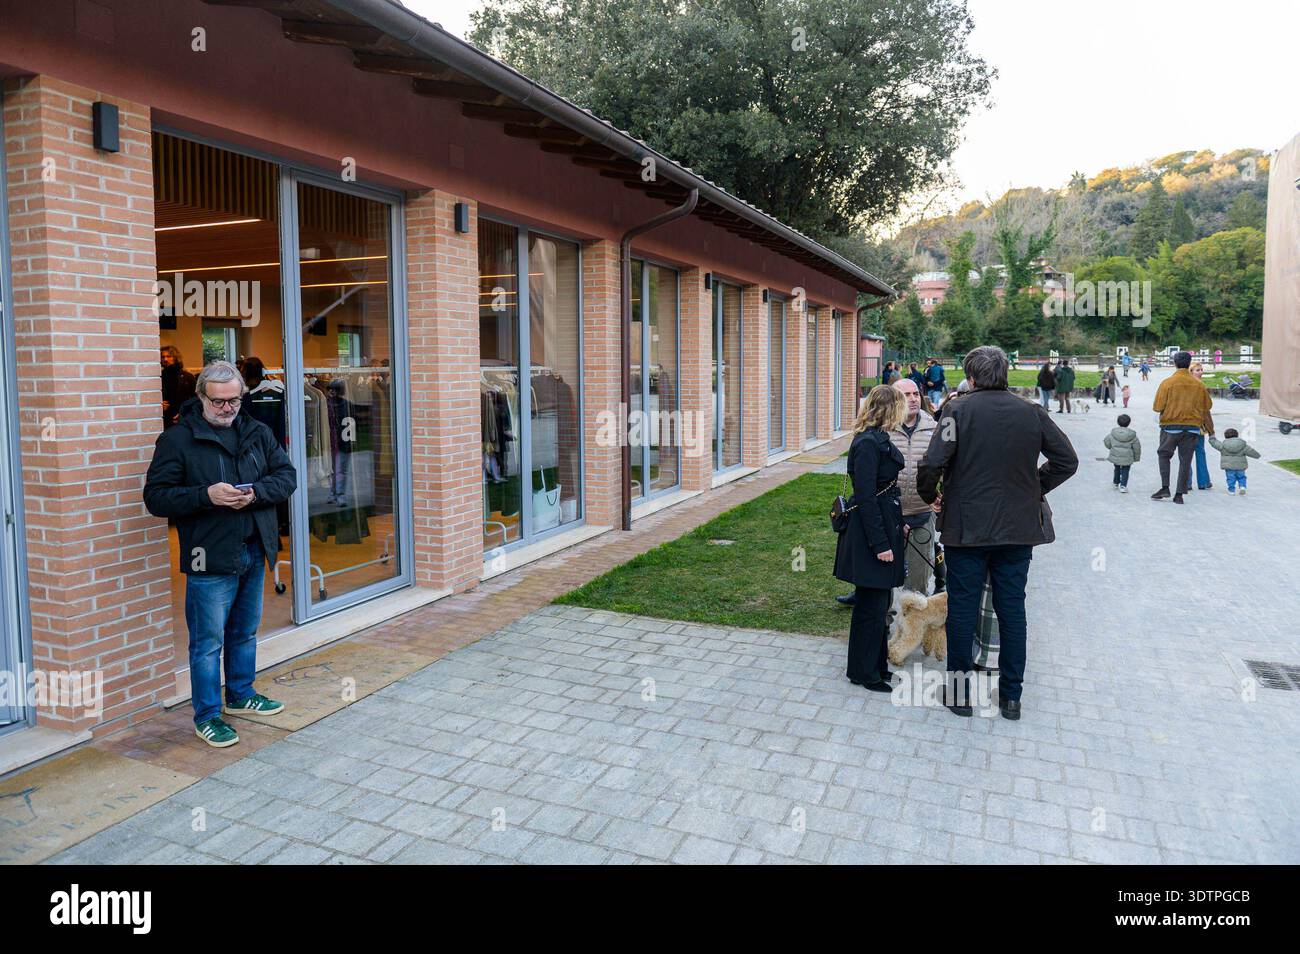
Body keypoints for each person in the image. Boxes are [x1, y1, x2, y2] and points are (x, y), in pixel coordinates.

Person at [917, 346, 1078, 720]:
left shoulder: (957, 411)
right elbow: (1067, 461)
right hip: (1016, 531)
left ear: (971, 378)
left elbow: (932, 463)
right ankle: (1011, 698)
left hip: (967, 529)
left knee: (962, 610)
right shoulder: (1031, 412)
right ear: (1005, 373)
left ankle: (959, 696)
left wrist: (932, 496)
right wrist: (1035, 487)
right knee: (1012, 610)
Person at [144, 360, 298, 748]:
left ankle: (241, 695)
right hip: (207, 554)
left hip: (253, 546)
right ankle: (207, 715)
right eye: (219, 402)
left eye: (234, 400)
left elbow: (287, 477)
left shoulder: (257, 431)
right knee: (207, 641)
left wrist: (256, 493)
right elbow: (156, 498)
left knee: (244, 632)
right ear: (201, 397)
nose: (228, 409)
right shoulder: (178, 440)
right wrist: (206, 496)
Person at [833, 385, 907, 692]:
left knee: (879, 605)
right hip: (870, 535)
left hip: (883, 527)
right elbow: (865, 497)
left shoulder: (877, 439)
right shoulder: (866, 443)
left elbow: (883, 490)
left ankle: (876, 666)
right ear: (890, 409)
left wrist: (897, 525)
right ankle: (864, 672)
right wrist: (881, 545)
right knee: (870, 607)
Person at [889, 378, 941, 595]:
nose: (912, 399)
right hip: (889, 517)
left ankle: (915, 627)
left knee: (918, 584)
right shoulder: (883, 429)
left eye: (915, 394)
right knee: (884, 581)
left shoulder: (935, 429)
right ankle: (884, 625)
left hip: (921, 514)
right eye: (906, 395)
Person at [1151, 350, 1212, 505]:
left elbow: (1157, 406)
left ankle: (1165, 487)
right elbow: (1207, 406)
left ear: (1175, 363)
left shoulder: (1167, 383)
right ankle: (1179, 494)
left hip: (1170, 426)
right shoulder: (1199, 385)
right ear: (1188, 363)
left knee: (1164, 455)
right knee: (1185, 460)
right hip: (1192, 428)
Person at [1208, 428, 1261, 495]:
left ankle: (1231, 490)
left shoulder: (1223, 446)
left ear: (1225, 436)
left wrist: (1212, 437)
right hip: (1240, 466)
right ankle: (1242, 487)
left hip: (1229, 466)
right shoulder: (1242, 445)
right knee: (1241, 476)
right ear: (1237, 435)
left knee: (1230, 478)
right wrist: (1258, 456)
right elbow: (1250, 451)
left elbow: (1215, 443)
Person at [1189, 362, 1214, 490]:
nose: (1200, 372)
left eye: (1201, 370)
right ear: (1191, 372)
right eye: (1197, 370)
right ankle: (1203, 481)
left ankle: (1187, 482)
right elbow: (1207, 409)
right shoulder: (1201, 387)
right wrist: (1211, 430)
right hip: (1197, 425)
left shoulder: (1185, 386)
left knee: (1187, 454)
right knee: (1199, 453)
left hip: (1188, 425)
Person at [159, 345, 196, 430]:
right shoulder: (158, 377)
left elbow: (196, 399)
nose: (165, 359)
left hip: (185, 419)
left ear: (175, 358)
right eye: (162, 357)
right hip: (164, 420)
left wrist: (183, 413)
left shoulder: (188, 377)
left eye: (168, 356)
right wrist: (159, 404)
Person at [1104, 413, 1141, 493]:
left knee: (1116, 468)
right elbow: (1137, 447)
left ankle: (1116, 482)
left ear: (1118, 422)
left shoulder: (1113, 433)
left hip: (1116, 455)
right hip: (1127, 457)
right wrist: (1136, 458)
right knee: (1126, 470)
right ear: (1129, 423)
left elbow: (1106, 441)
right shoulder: (1132, 435)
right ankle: (1123, 486)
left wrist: (1111, 447)